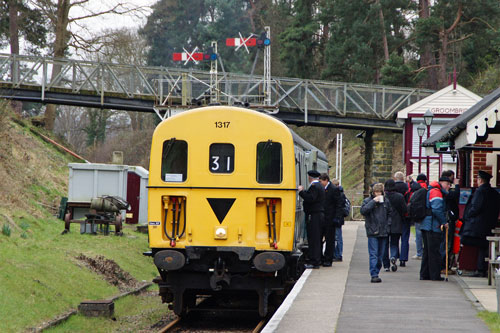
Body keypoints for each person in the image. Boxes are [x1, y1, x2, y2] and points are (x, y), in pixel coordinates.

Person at [461, 170, 500, 277]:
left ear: (481, 180)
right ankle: (481, 268)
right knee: (484, 247)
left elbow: (475, 207)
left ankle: (479, 268)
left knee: (472, 243)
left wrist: (467, 215)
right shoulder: (495, 193)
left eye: (478, 179)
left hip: (477, 225)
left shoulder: (480, 192)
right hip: (489, 224)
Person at [420, 176, 451, 281]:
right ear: (442, 183)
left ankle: (425, 274)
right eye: (448, 184)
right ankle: (434, 275)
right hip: (433, 226)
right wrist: (444, 222)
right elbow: (437, 209)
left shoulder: (431, 190)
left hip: (426, 225)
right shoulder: (436, 192)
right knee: (434, 251)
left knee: (427, 251)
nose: (449, 186)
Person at [361, 183, 392, 283]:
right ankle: (374, 274)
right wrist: (373, 202)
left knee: (380, 254)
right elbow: (363, 211)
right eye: (376, 192)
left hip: (383, 230)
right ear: (373, 193)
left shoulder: (386, 202)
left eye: (379, 192)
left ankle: (376, 271)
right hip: (372, 230)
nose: (378, 194)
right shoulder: (368, 201)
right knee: (373, 254)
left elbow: (390, 214)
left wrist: (388, 226)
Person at [298, 170, 325, 269]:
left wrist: (301, 192)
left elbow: (310, 198)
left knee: (314, 239)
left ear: (310, 177)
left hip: (315, 215)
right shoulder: (320, 186)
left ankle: (315, 261)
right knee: (316, 239)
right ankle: (316, 260)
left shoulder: (314, 186)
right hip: (318, 215)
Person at [319, 173, 343, 267]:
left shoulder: (334, 189)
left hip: (330, 218)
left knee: (330, 239)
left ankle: (328, 259)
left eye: (321, 181)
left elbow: (338, 204)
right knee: (320, 238)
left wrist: (337, 217)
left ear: (326, 180)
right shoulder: (322, 188)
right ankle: (321, 257)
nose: (320, 183)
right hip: (323, 218)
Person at [383, 179, 407, 272]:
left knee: (385, 244)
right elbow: (404, 209)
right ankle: (393, 256)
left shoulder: (383, 197)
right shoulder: (399, 197)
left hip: (385, 223)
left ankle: (386, 265)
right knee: (394, 243)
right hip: (396, 222)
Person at [440, 170, 460, 273]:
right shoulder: (444, 192)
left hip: (449, 219)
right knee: (446, 244)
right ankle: (444, 266)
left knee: (447, 244)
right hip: (447, 221)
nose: (450, 184)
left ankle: (445, 265)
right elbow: (455, 195)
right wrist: (457, 186)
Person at [411, 174, 428, 260]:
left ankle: (419, 253)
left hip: (417, 213)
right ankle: (425, 252)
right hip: (425, 213)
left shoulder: (414, 187)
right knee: (425, 234)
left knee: (418, 234)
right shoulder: (427, 188)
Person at [332, 178, 345, 262]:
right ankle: (338, 254)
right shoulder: (341, 193)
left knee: (337, 238)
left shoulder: (338, 194)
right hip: (339, 219)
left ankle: (338, 255)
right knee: (338, 237)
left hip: (337, 218)